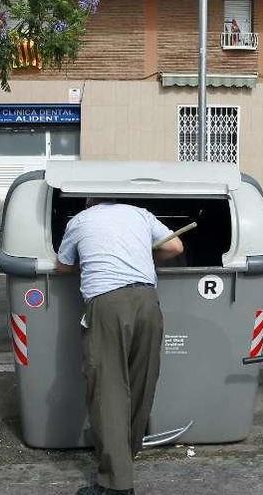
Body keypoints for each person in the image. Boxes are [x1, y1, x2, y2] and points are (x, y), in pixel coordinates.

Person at [57, 199, 185, 495]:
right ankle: (125, 457)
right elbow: (176, 248)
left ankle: (116, 485)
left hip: (108, 303)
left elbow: (62, 265)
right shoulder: (140, 214)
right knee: (142, 382)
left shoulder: (79, 221)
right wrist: (142, 254)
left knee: (109, 391)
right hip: (148, 301)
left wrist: (92, 258)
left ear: (89, 199)